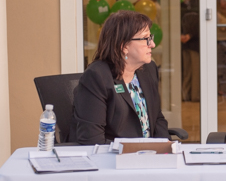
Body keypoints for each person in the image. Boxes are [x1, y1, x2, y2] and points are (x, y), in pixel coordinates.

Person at [70, 10, 169, 145]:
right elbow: (92, 139)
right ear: (124, 46)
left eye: (150, 38)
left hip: (149, 157)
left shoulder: (149, 69)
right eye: (146, 39)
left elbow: (157, 118)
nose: (152, 44)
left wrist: (166, 148)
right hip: (114, 159)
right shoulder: (97, 77)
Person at [181, 12, 200, 102]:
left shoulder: (183, 15)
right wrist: (191, 35)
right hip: (195, 47)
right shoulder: (198, 15)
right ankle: (195, 96)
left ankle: (185, 95)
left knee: (187, 73)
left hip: (185, 46)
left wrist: (183, 36)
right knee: (196, 73)